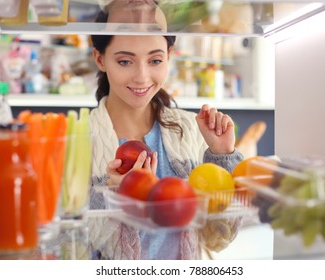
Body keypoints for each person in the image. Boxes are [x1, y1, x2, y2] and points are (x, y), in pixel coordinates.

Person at [87, 6, 244, 260]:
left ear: (169, 56)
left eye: (155, 60)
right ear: (100, 58)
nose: (142, 76)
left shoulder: (190, 129)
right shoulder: (80, 137)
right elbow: (72, 246)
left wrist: (222, 155)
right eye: (125, 61)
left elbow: (219, 236)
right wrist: (118, 196)